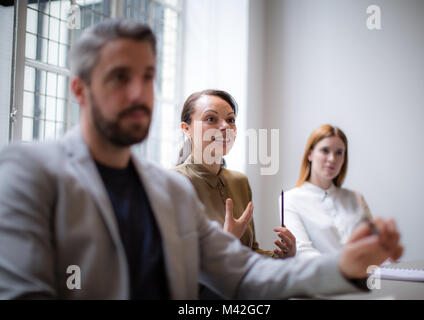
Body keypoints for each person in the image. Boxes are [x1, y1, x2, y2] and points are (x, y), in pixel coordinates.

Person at [0, 19, 403, 299]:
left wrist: (344, 265)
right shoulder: (29, 171)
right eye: (120, 77)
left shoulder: (167, 190)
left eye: (148, 77)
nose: (139, 93)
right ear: (80, 90)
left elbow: (243, 273)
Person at [174, 89, 296, 260]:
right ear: (186, 129)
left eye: (230, 120)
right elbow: (178, 266)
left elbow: (249, 252)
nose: (225, 126)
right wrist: (226, 243)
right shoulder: (173, 183)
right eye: (211, 119)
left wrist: (281, 257)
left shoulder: (240, 181)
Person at [283, 124, 382, 260]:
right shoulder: (290, 199)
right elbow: (302, 252)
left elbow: (375, 245)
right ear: (310, 154)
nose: (332, 159)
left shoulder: (355, 197)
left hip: (367, 276)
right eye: (325, 150)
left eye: (339, 152)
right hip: (323, 278)